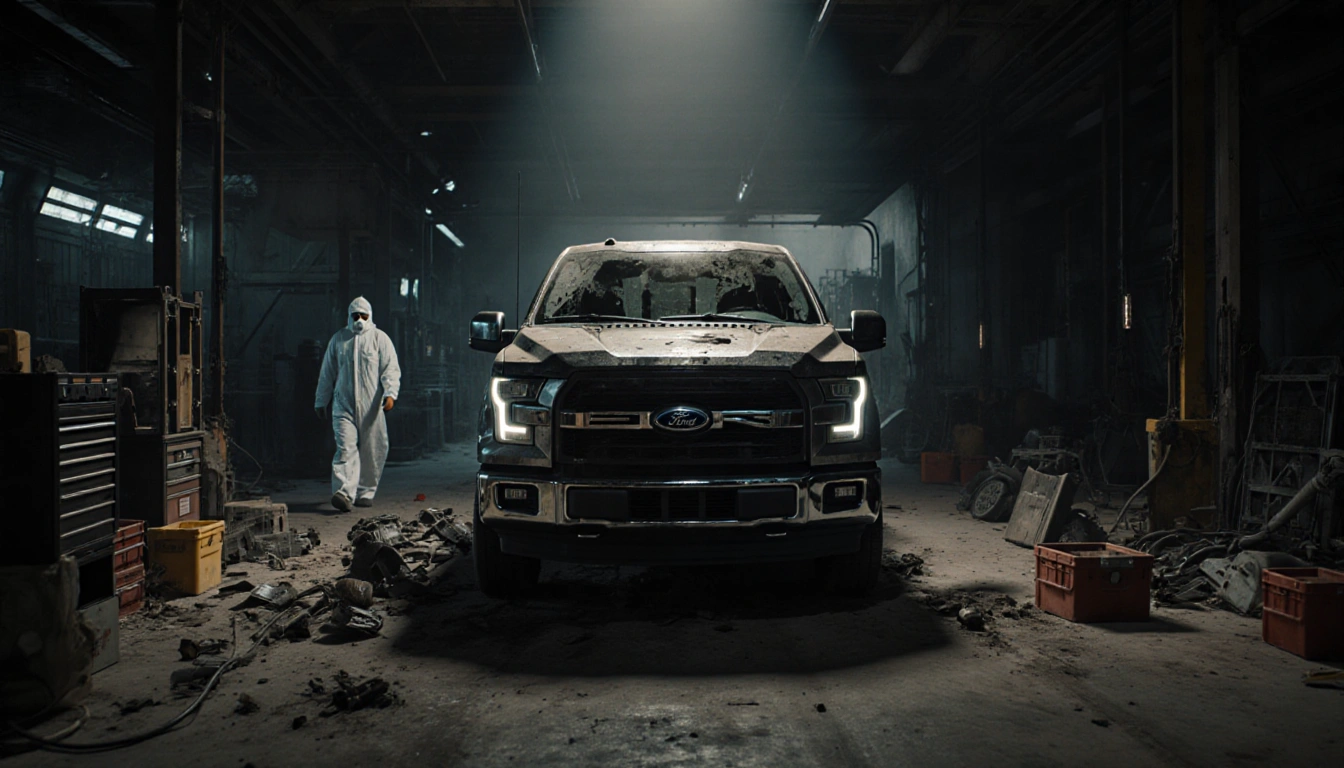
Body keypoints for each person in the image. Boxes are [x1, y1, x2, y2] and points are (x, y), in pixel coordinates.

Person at [314, 297, 401, 512]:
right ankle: (344, 492)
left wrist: (390, 394)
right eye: (355, 316)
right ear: (349, 317)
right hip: (343, 405)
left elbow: (391, 369)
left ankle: (365, 491)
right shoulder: (338, 340)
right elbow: (327, 373)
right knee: (345, 449)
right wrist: (321, 400)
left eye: (364, 316)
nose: (359, 320)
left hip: (372, 407)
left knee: (373, 449)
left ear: (370, 316)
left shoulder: (380, 339)